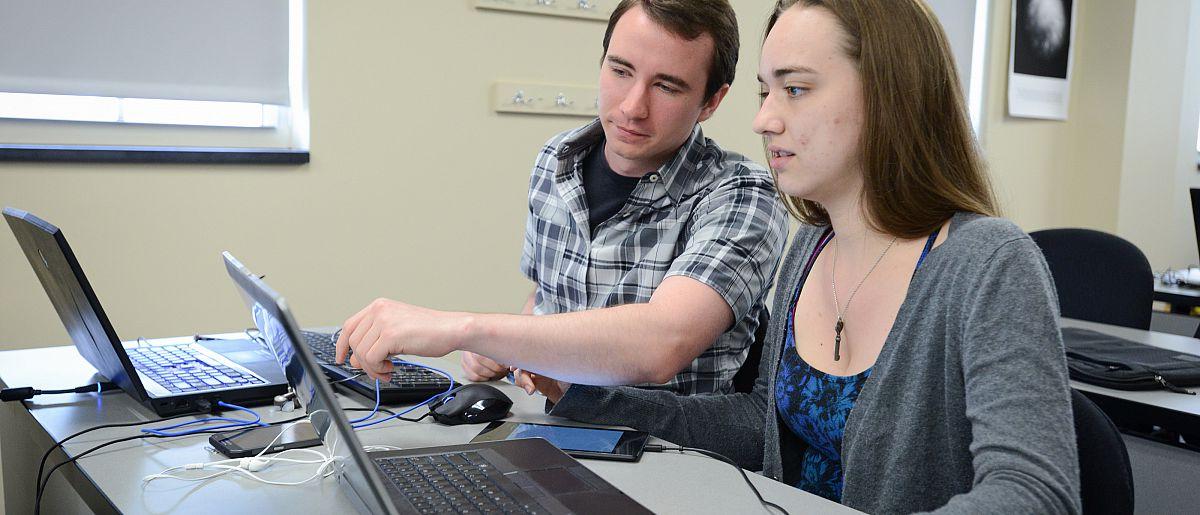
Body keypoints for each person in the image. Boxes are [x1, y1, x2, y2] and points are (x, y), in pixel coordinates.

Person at [520, 0, 1083, 513]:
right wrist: (591, 400)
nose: (765, 119)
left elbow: (1032, 494)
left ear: (889, 94)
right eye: (766, 91)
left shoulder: (990, 264)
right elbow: (760, 425)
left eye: (795, 90)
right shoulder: (811, 249)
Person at [336, 0, 788, 397]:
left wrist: (465, 329)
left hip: (671, 455)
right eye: (620, 70)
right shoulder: (557, 160)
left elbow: (660, 343)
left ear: (711, 101)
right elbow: (545, 298)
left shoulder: (743, 196)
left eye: (666, 86)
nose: (632, 106)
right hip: (558, 430)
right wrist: (496, 351)